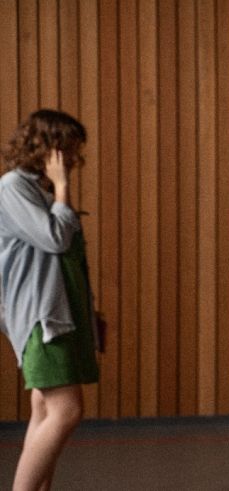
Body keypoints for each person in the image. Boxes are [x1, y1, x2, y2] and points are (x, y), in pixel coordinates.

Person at [0, 109, 99, 491]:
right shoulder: (13, 187)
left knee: (44, 411)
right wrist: (62, 188)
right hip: (41, 318)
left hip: (61, 314)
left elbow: (67, 259)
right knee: (66, 410)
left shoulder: (39, 190)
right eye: (69, 148)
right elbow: (54, 239)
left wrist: (88, 311)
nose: (74, 158)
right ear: (48, 147)